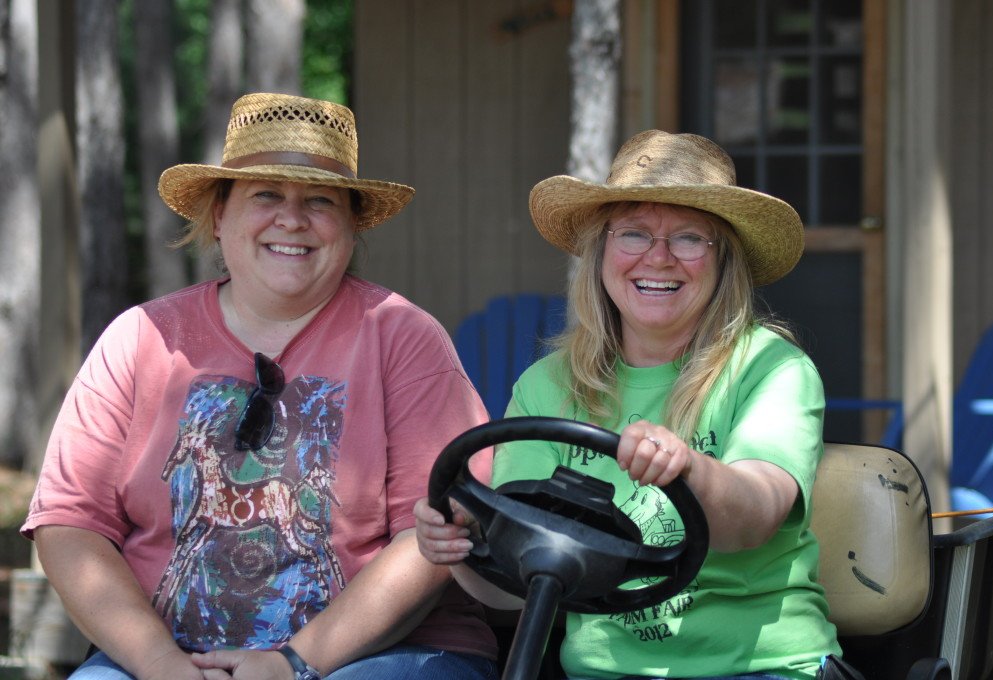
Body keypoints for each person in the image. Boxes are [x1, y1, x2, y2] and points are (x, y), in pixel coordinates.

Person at [22, 93, 498, 680]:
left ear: (352, 224)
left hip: (383, 657)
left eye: (320, 201)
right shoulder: (140, 338)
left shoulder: (402, 337)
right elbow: (70, 525)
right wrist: (158, 663)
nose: (291, 219)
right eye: (266, 195)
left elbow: (434, 534)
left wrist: (293, 662)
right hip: (166, 658)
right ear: (218, 215)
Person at [415, 130, 843, 679]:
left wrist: (689, 468)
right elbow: (517, 594)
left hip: (761, 666)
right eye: (634, 233)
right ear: (601, 253)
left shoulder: (772, 369)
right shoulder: (546, 387)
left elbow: (754, 517)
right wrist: (457, 547)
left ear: (724, 262)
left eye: (690, 238)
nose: (658, 258)